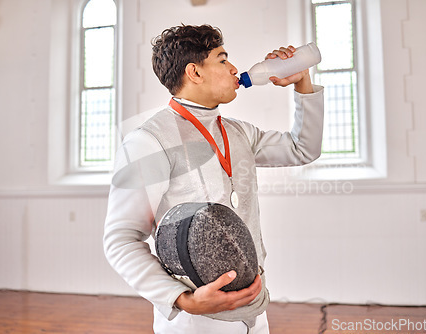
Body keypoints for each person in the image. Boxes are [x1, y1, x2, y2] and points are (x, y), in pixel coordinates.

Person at [103, 24, 324, 334]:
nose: (235, 68)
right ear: (195, 72)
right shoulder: (149, 141)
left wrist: (302, 80)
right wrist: (181, 299)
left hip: (255, 311)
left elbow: (303, 149)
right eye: (222, 60)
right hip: (196, 321)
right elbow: (121, 239)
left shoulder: (240, 132)